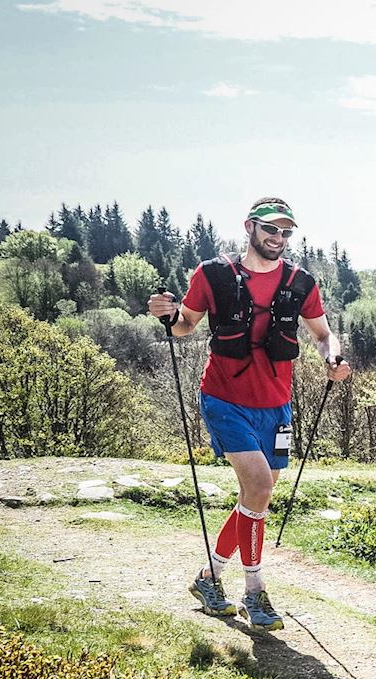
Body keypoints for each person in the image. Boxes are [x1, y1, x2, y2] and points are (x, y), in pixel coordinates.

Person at [148, 197, 350, 631]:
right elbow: (185, 325)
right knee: (258, 487)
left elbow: (321, 334)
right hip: (224, 398)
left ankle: (208, 578)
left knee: (253, 499)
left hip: (276, 404)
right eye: (269, 230)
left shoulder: (301, 282)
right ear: (249, 228)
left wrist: (333, 358)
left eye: (285, 232)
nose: (277, 238)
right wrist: (167, 316)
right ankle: (254, 593)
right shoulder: (212, 274)